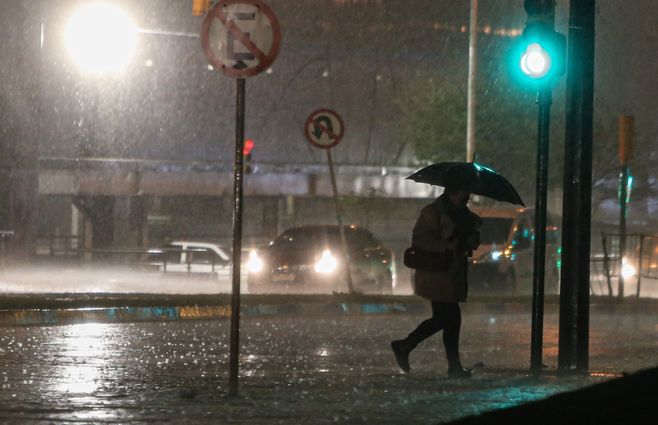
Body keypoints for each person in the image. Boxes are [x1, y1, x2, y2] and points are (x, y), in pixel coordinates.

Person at [391, 187, 481, 378]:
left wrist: (471, 237)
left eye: (467, 195)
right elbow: (420, 240)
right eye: (461, 193)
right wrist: (447, 245)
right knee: (448, 318)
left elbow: (472, 242)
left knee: (449, 319)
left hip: (453, 274)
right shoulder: (432, 212)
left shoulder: (466, 215)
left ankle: (409, 347)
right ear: (451, 192)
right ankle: (406, 346)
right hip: (436, 274)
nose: (465, 198)